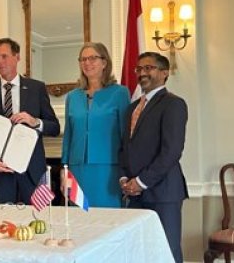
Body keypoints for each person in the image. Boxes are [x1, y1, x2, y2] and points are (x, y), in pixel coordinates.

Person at [119, 52, 188, 263]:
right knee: (139, 253)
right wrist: (124, 179)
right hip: (134, 194)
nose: (142, 73)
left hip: (163, 193)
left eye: (149, 68)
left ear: (164, 73)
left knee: (166, 252)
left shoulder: (173, 104)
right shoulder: (132, 108)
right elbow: (125, 148)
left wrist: (141, 182)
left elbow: (172, 151)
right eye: (139, 69)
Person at [0, 37, 60, 204]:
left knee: (36, 224)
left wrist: (34, 121)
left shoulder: (36, 88)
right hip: (0, 173)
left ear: (17, 57)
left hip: (31, 172)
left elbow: (54, 128)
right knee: (5, 225)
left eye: (4, 56)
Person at [61, 42, 130, 207]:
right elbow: (68, 136)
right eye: (83, 59)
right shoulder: (72, 96)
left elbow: (125, 136)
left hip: (108, 170)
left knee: (107, 220)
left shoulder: (119, 93)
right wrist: (64, 170)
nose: (87, 63)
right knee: (78, 221)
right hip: (77, 170)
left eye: (92, 58)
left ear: (104, 62)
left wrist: (126, 172)